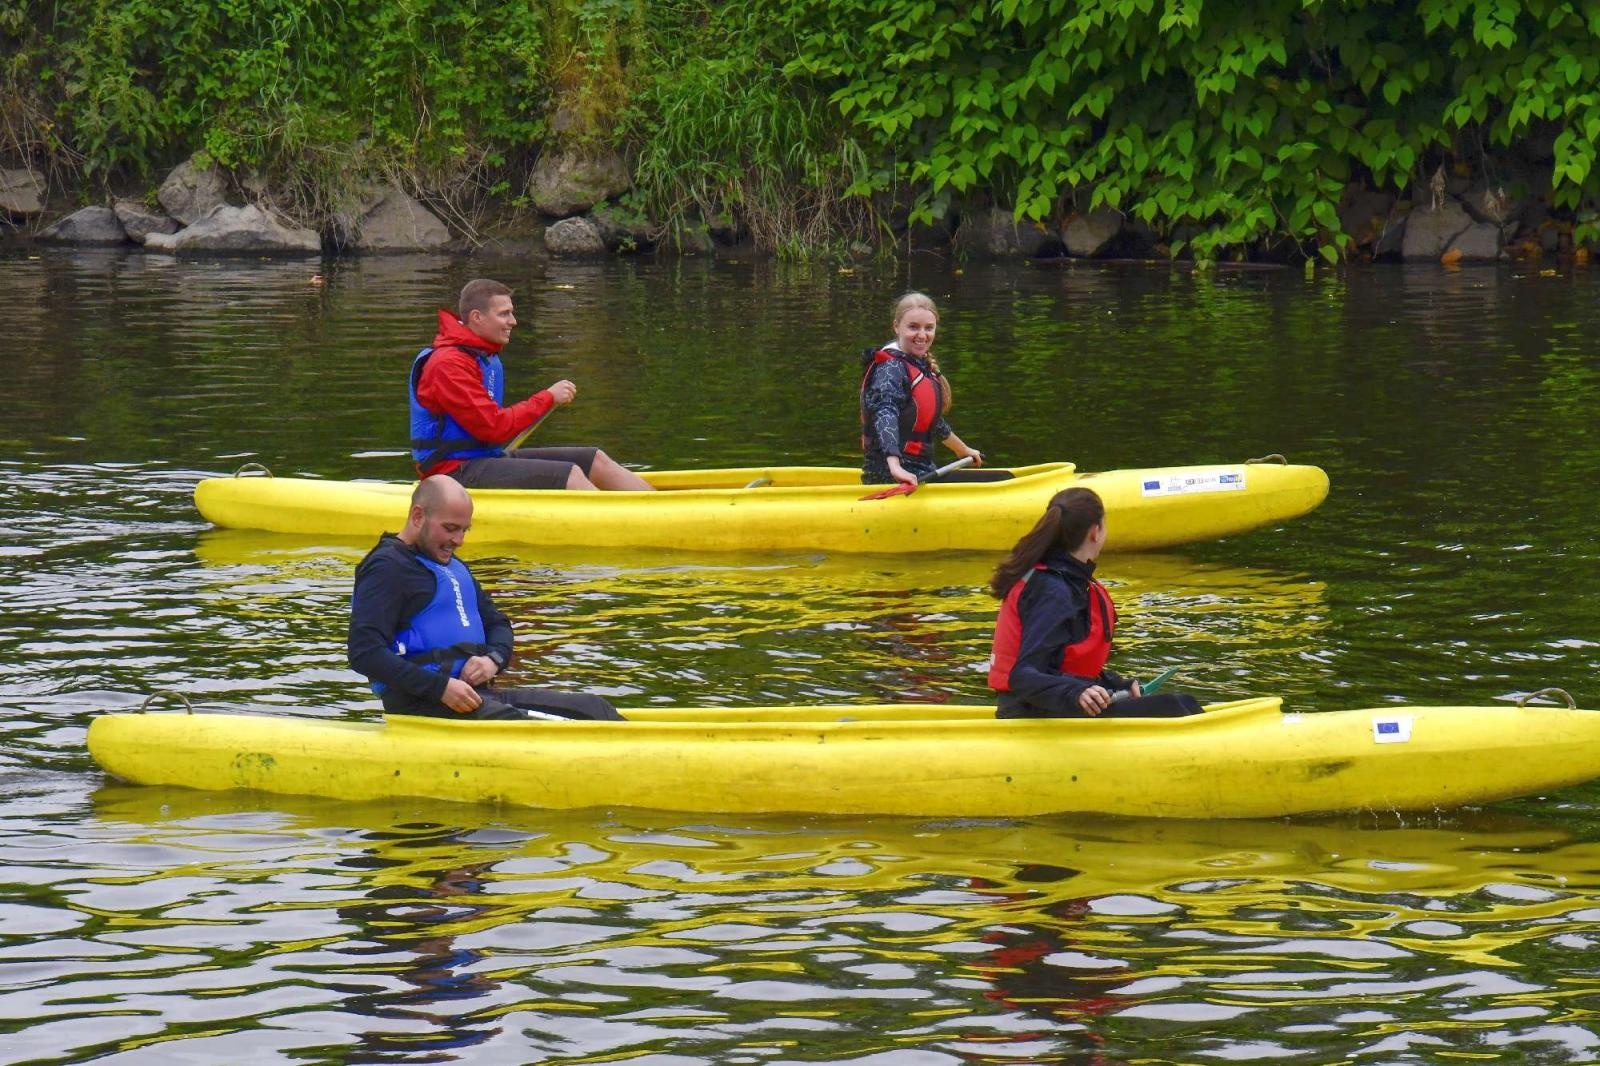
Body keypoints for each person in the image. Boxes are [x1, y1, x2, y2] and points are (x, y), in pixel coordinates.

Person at [348, 475, 624, 721]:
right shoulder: (386, 567)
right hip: (425, 706)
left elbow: (498, 623)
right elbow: (364, 652)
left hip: (473, 698)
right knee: (554, 729)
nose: (459, 540)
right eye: (450, 528)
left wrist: (493, 659)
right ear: (418, 517)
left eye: (464, 530)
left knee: (592, 708)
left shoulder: (451, 566)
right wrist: (440, 688)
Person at [411, 278, 654, 491]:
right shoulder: (448, 364)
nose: (513, 321)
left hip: (484, 459)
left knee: (593, 459)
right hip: (451, 474)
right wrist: (547, 397)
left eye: (511, 313)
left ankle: (656, 509)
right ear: (477, 317)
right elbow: (494, 427)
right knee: (570, 473)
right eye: (504, 314)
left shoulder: (481, 355)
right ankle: (627, 525)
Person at [987, 487, 1202, 719]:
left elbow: (1058, 666)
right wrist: (1077, 692)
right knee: (1176, 706)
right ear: (1095, 532)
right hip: (1029, 713)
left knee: (1183, 704)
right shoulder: (1053, 589)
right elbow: (1024, 676)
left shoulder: (1069, 580)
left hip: (1050, 706)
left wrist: (1116, 685)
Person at [860, 291, 985, 487]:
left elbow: (930, 420)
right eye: (913, 327)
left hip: (921, 471)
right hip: (889, 476)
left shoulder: (918, 365)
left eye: (929, 328)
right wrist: (894, 465)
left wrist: (962, 450)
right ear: (896, 326)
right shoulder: (890, 368)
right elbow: (885, 413)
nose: (922, 335)